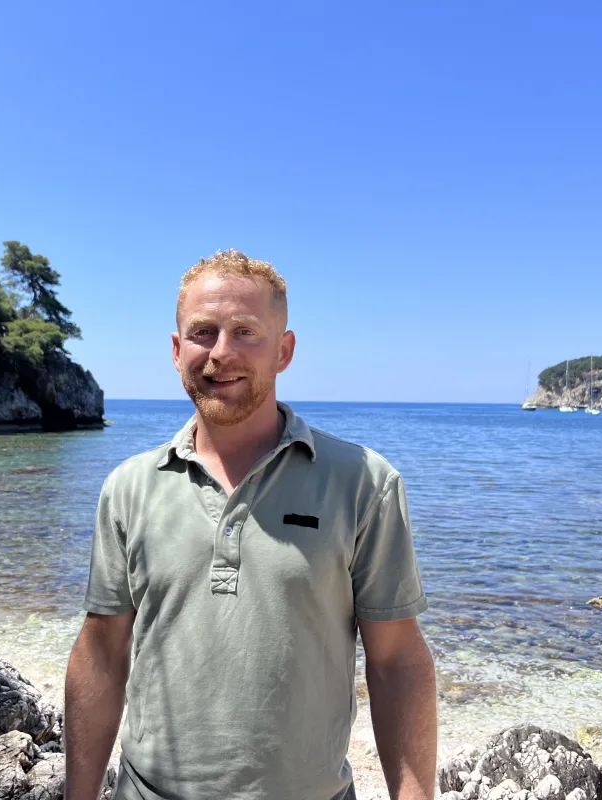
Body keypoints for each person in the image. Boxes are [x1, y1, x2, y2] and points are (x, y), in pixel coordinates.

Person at [64, 250, 437, 800]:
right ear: (175, 350)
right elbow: (102, 653)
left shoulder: (363, 483)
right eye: (203, 332)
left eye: (245, 332)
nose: (221, 352)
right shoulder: (129, 487)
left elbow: (397, 660)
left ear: (284, 351)